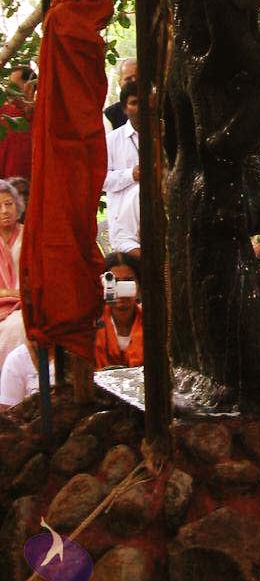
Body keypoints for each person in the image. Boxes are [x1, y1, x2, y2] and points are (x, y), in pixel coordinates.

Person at [104, 79, 140, 252]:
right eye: (134, 103)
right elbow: (101, 180)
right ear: (125, 108)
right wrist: (130, 175)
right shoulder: (112, 140)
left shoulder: (164, 134)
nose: (140, 108)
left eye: (145, 102)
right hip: (125, 230)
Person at [94, 252, 144, 369]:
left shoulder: (153, 324)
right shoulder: (91, 324)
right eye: (114, 282)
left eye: (128, 281)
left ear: (139, 286)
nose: (121, 290)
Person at [0, 180, 26, 370]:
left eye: (9, 204)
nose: (4, 211)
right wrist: (7, 293)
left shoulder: (30, 236)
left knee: (17, 325)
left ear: (18, 207)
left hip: (23, 306)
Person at [0, 65, 35, 182]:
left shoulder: (42, 116)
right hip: (3, 187)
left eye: (14, 85)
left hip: (28, 185)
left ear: (30, 86)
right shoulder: (3, 112)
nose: (9, 90)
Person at [104, 58, 137, 131]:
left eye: (138, 78)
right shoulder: (110, 115)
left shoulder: (156, 107)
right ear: (119, 82)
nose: (134, 82)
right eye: (128, 79)